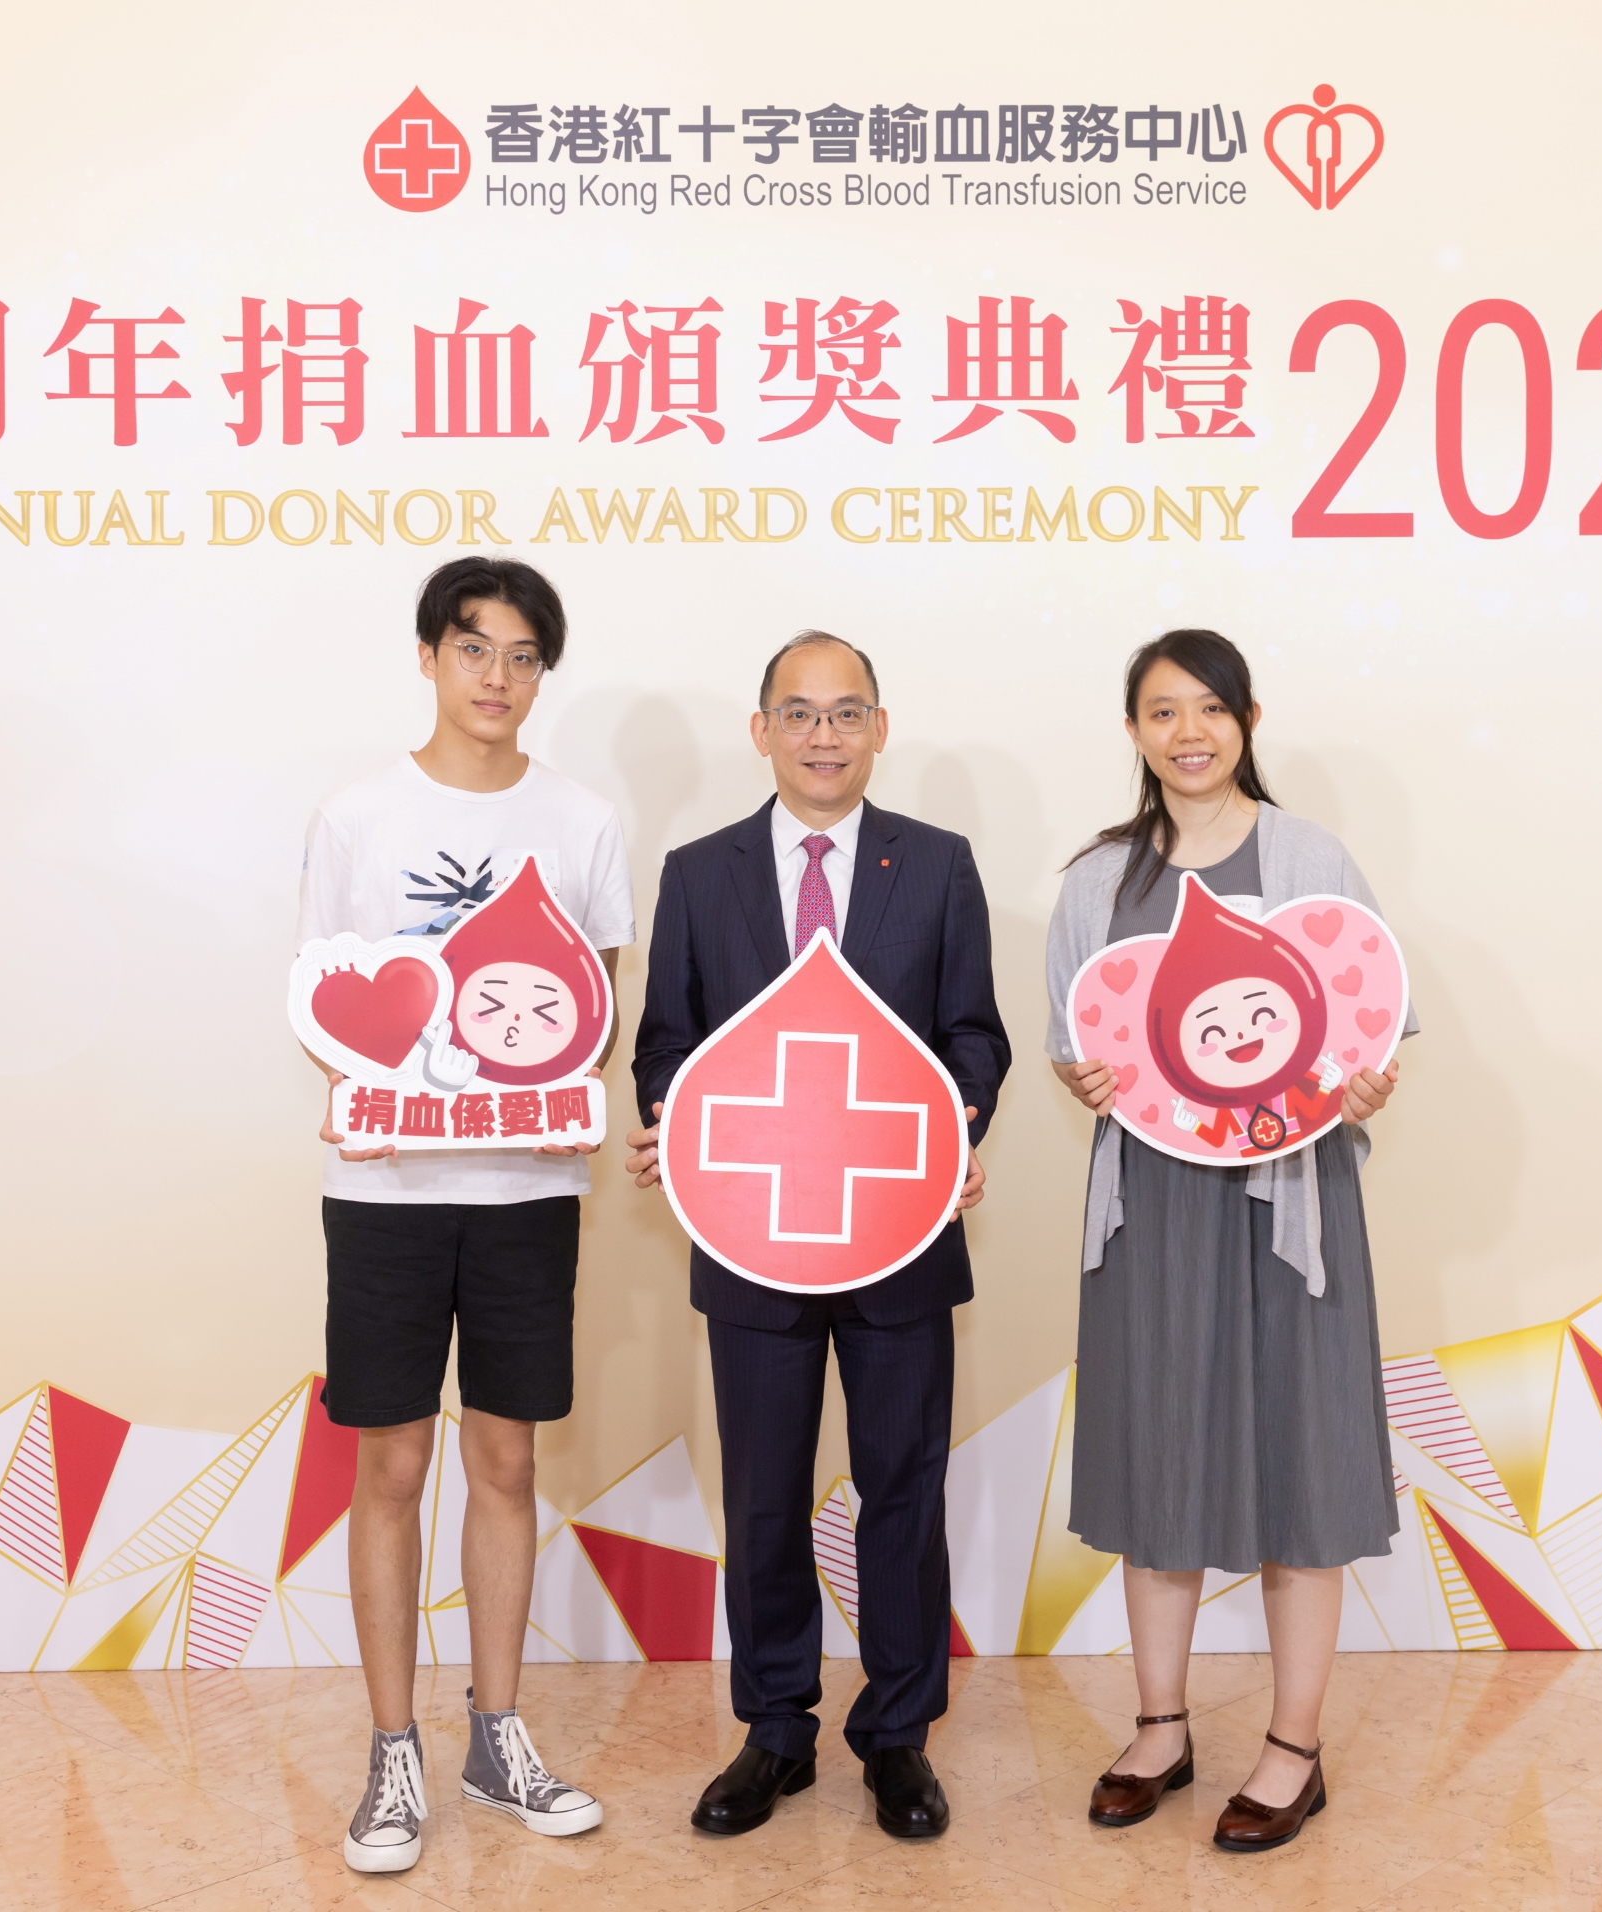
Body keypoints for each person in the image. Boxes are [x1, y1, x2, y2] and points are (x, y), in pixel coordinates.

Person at [625, 631, 1009, 1841]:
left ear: (879, 728)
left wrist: (949, 1128)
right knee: (764, 1493)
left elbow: (974, 1037)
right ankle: (774, 1732)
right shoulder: (698, 871)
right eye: (798, 712)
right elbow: (664, 1045)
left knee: (903, 1484)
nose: (823, 734)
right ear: (761, 732)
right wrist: (669, 1126)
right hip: (749, 1241)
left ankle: (897, 1736)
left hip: (901, 1235)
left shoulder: (937, 864)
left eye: (846, 712)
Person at [1042, 629, 1409, 1856]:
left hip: (1289, 1204)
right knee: (1161, 1465)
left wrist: (1361, 1089)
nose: (1186, 732)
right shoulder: (1099, 877)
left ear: (1248, 716)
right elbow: (1073, 1034)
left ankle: (1293, 1749)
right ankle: (1159, 1726)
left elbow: (1365, 1032)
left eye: (1208, 707)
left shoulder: (1311, 862)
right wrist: (1082, 1075)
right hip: (1151, 1207)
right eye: (1160, 712)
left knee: (1299, 1464)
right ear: (1134, 731)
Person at [298, 556, 631, 1875]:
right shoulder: (357, 816)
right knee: (388, 1468)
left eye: (523, 657)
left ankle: (497, 1736)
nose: (497, 678)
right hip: (381, 1195)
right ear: (429, 658)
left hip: (523, 1195)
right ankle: (393, 1755)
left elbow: (586, 1019)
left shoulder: (579, 819)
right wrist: (378, 1092)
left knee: (504, 1464)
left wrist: (546, 1099)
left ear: (542, 675)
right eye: (474, 649)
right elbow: (329, 1003)